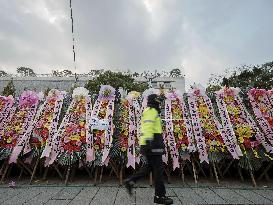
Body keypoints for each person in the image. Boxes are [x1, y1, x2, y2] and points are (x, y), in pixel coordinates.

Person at [124, 94, 173, 205]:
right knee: (158, 170)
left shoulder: (152, 110)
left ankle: (131, 181)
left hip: (152, 143)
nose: (160, 103)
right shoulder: (151, 111)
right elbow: (147, 128)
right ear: (154, 101)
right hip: (153, 144)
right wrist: (147, 144)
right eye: (158, 101)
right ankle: (160, 196)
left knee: (148, 168)